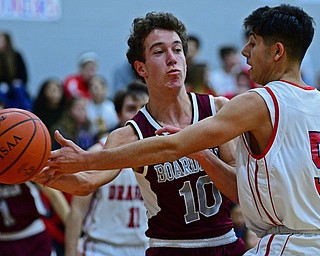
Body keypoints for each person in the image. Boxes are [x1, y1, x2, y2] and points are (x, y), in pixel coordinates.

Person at [40, 4, 320, 255]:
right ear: (141, 68)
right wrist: (37, 173)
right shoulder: (128, 134)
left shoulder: (220, 108)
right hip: (171, 248)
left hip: (226, 243)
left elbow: (238, 190)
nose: (172, 58)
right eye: (159, 52)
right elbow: (85, 182)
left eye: (177, 49)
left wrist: (203, 155)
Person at [65, 82, 149, 256]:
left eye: (144, 108)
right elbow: (77, 210)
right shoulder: (96, 153)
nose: (139, 114)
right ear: (119, 114)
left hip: (147, 247)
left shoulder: (165, 152)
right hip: (102, 247)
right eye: (131, 108)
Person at [0, 182, 70, 256]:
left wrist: (76, 234)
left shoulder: (23, 171)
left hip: (34, 236)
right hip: (3, 240)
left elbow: (54, 195)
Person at [0, 31, 32, 110]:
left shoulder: (16, 56)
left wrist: (16, 81)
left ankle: (25, 111)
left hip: (15, 84)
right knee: (2, 88)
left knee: (18, 87)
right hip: (2, 85)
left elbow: (24, 74)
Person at [32, 78, 67, 146]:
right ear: (44, 92)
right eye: (51, 90)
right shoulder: (36, 111)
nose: (55, 93)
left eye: (57, 90)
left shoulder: (67, 110)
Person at [86, 75, 119, 139]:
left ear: (104, 89)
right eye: (91, 88)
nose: (94, 91)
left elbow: (116, 124)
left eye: (96, 88)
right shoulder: (85, 106)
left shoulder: (111, 107)